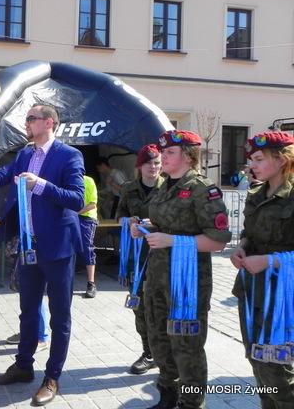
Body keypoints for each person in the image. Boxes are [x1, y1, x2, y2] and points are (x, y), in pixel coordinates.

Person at [0, 104, 85, 406]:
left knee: (59, 316)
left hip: (58, 248)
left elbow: (77, 199)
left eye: (31, 118)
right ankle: (23, 366)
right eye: (26, 118)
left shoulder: (69, 155)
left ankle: (52, 376)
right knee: (27, 310)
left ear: (49, 122)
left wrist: (40, 185)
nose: (26, 123)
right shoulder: (24, 155)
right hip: (28, 247)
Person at [130, 130, 231, 409]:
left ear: (188, 156)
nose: (162, 157)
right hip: (158, 277)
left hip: (187, 282)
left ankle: (191, 402)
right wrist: (145, 227)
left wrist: (171, 240)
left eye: (170, 152)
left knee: (187, 346)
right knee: (159, 340)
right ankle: (168, 395)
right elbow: (165, 224)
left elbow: (219, 241)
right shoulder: (165, 185)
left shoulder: (203, 189)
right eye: (163, 152)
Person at [230, 131, 294, 408]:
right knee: (255, 358)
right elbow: (249, 233)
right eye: (251, 159)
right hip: (252, 289)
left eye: (258, 159)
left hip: (282, 297)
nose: (251, 165)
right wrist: (241, 246)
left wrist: (269, 261)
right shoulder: (256, 193)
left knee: (277, 370)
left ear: (282, 160)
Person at [115, 143, 163, 375]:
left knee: (161, 307)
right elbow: (119, 215)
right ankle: (149, 353)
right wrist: (129, 221)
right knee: (140, 308)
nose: (153, 167)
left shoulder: (169, 188)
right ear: (140, 166)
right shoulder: (129, 188)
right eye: (148, 163)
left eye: (157, 163)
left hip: (162, 256)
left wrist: (155, 224)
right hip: (137, 256)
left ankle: (165, 353)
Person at [78, 174, 99, 298]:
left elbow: (92, 204)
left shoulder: (89, 181)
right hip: (70, 216)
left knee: (87, 248)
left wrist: (76, 213)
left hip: (87, 218)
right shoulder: (65, 179)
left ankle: (91, 283)